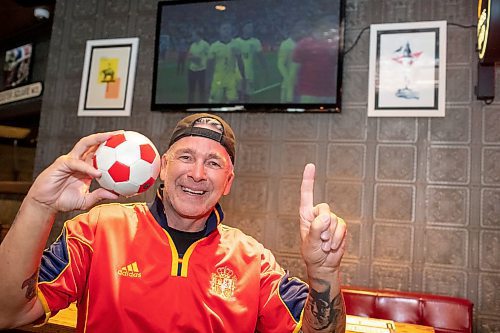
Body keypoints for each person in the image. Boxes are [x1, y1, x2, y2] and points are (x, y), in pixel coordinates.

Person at [0, 113, 347, 332]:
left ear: (227, 182)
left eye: (213, 163)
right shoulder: (97, 229)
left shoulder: (253, 259)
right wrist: (40, 205)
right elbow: (8, 313)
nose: (197, 174)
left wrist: (324, 273)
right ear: (162, 167)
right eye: (185, 157)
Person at [292, 16, 339, 104]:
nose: (325, 28)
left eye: (327, 26)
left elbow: (337, 68)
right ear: (316, 27)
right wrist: (293, 89)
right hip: (309, 92)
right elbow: (294, 68)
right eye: (323, 26)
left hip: (329, 93)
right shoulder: (304, 44)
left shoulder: (333, 44)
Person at [206, 23, 246, 103]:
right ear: (220, 31)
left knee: (233, 101)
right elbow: (209, 65)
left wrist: (243, 76)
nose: (226, 31)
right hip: (218, 77)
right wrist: (208, 80)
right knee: (214, 101)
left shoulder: (236, 44)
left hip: (231, 76)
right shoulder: (214, 46)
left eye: (228, 29)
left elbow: (240, 62)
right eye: (224, 29)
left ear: (231, 31)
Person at [186, 30, 210, 103]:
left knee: (201, 89)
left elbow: (209, 56)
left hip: (202, 70)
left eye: (193, 35)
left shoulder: (205, 44)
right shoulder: (192, 45)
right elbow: (189, 55)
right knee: (191, 89)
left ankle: (202, 104)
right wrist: (193, 58)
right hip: (192, 69)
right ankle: (190, 104)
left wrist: (200, 60)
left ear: (198, 36)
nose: (192, 37)